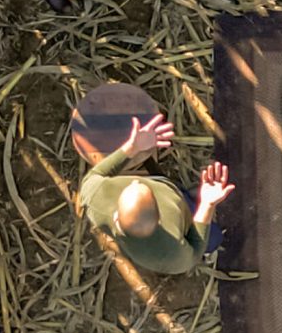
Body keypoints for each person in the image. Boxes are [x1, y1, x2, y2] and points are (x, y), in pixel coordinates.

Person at [77, 113, 232, 276]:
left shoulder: (93, 196)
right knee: (213, 238)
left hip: (172, 195)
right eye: (138, 185)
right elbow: (194, 251)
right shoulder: (172, 255)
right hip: (181, 216)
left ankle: (186, 195)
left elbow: (95, 174)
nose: (136, 181)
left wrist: (132, 147)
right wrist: (207, 205)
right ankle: (193, 201)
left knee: (180, 192)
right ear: (160, 216)